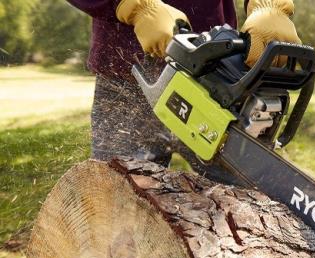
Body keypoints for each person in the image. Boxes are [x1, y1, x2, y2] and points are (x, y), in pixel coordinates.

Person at [66, 0, 301, 183]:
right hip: (129, 76)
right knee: (117, 205)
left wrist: (270, 8)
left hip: (215, 72)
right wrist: (136, 6)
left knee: (249, 203)